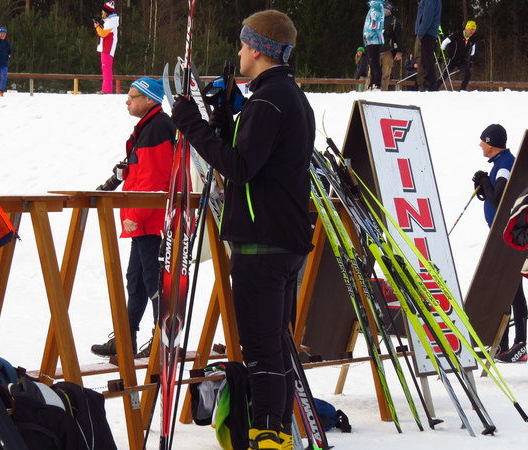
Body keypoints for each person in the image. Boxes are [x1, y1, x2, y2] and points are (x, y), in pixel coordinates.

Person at [171, 9, 315, 450]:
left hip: (263, 243)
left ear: (257, 49)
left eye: (242, 44)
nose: (238, 52)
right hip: (280, 238)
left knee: (261, 348)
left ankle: (269, 434)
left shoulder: (270, 100)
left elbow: (241, 167)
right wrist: (226, 124)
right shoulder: (285, 96)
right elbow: (260, 158)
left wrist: (192, 125)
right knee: (274, 345)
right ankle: (274, 431)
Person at [90, 77, 175, 359]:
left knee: (153, 282)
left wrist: (136, 214)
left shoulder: (156, 128)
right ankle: (126, 338)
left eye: (133, 96)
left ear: (149, 99)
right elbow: (142, 172)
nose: (127, 101)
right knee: (136, 280)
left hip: (151, 219)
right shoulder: (149, 128)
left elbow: (155, 178)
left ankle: (161, 342)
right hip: (144, 218)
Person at [471, 124, 528, 363]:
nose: (480, 145)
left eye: (483, 141)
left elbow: (499, 199)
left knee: (513, 288)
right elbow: (493, 195)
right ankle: (501, 344)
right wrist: (483, 183)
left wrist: (485, 182)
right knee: (503, 287)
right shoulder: (499, 163)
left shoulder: (504, 164)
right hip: (500, 234)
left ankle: (520, 345)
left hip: (507, 235)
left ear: (491, 143)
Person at [437, 20, 478, 91]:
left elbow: (473, 49)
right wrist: (441, 55)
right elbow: (444, 42)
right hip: (453, 58)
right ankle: (434, 88)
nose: (472, 31)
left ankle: (462, 90)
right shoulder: (457, 34)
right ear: (466, 28)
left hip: (462, 59)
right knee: (444, 75)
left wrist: (471, 60)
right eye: (471, 29)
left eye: (474, 30)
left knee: (468, 74)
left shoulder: (472, 38)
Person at [414, 0, 441, 91]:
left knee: (426, 59)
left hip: (427, 32)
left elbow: (427, 17)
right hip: (429, 32)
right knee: (425, 58)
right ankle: (428, 83)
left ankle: (430, 83)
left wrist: (421, 32)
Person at [94, 1, 119, 94]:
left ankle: (106, 90)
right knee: (106, 68)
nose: (102, 12)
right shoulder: (109, 21)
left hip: (107, 48)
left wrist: (97, 27)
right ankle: (106, 89)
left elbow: (103, 34)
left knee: (106, 68)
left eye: (103, 11)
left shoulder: (111, 22)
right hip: (105, 47)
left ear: (107, 12)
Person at [379, 1, 402, 91]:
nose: (384, 10)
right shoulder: (376, 19)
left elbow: (399, 38)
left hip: (388, 50)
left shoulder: (394, 21)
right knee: (371, 72)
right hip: (376, 49)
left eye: (386, 9)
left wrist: (399, 52)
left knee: (386, 73)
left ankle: (383, 90)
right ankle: (370, 89)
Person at [362, 0, 384, 90]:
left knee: (374, 61)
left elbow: (375, 24)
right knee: (372, 62)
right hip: (371, 39)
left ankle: (377, 83)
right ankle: (373, 82)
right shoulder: (373, 7)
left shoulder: (376, 7)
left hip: (374, 39)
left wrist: (369, 34)